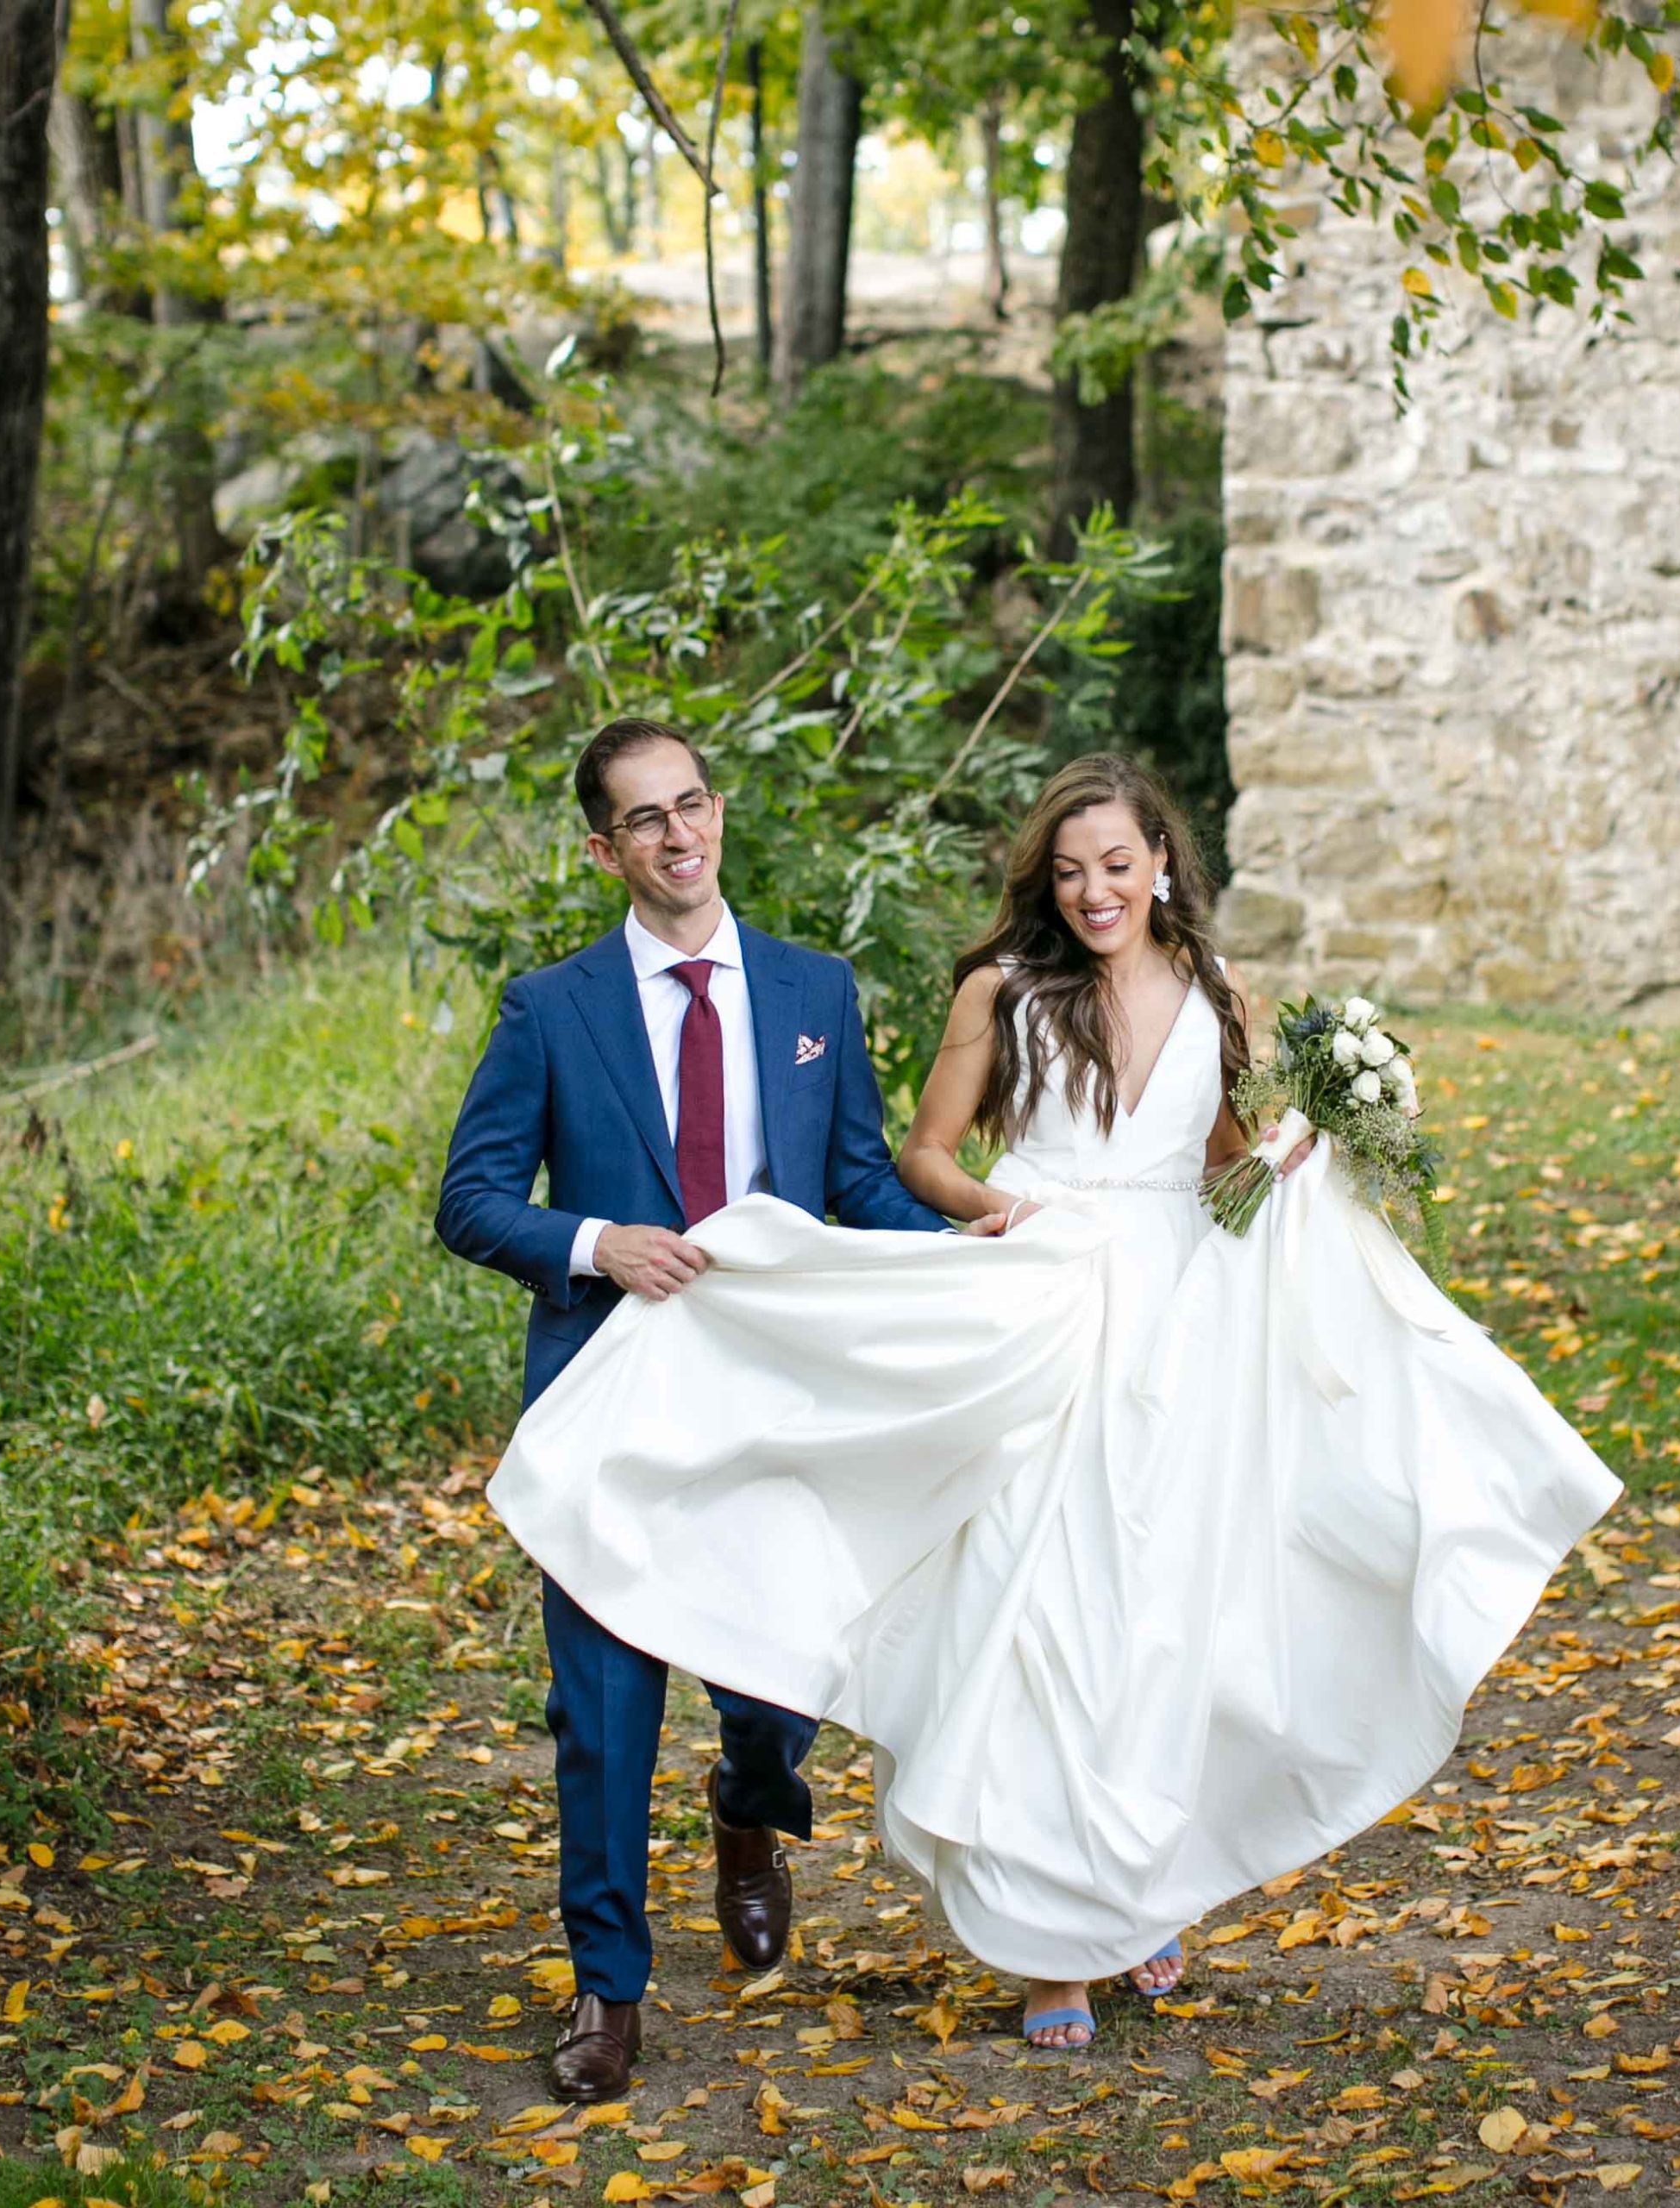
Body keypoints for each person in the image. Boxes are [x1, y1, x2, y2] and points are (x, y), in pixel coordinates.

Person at [489, 751, 1622, 2054]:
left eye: (1120, 866)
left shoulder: (1223, 996)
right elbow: (918, 1154)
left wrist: (1298, 1156)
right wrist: (987, 1209)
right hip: (1037, 1309)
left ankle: (1133, 1887)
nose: (1096, 891)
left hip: (1181, 1327)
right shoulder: (1003, 992)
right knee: (1042, 1613)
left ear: (1162, 865)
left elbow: (1224, 1168)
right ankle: (1046, 1955)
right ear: (1050, 879)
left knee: (1161, 1615)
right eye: (1073, 871)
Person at [435, 718, 973, 2099]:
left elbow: (861, 1183)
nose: (681, 839)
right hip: (612, 1400)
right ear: (603, 848)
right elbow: (471, 1199)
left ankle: (749, 1811)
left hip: (775, 1397)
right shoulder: (550, 1010)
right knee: (603, 1708)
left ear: (719, 815)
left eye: (696, 807)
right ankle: (608, 1990)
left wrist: (991, 1252)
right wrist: (594, 1240)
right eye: (647, 820)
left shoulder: (813, 991)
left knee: (772, 1679)